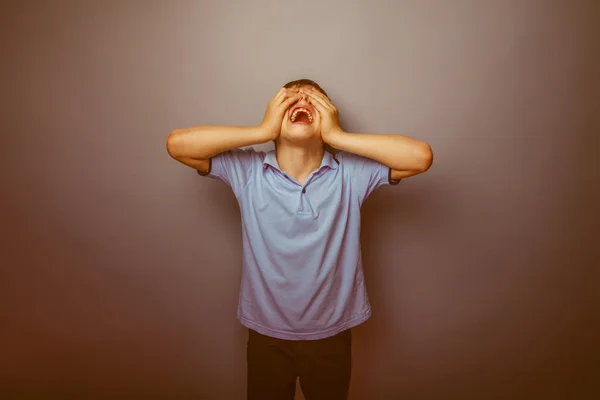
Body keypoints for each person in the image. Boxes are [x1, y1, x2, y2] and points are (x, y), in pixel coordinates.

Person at [166, 79, 433, 400]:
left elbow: (419, 157)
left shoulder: (350, 173)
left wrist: (337, 136)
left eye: (315, 101)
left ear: (328, 117)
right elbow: (178, 144)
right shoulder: (247, 170)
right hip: (265, 332)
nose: (301, 103)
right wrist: (262, 130)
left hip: (332, 332)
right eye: (289, 101)